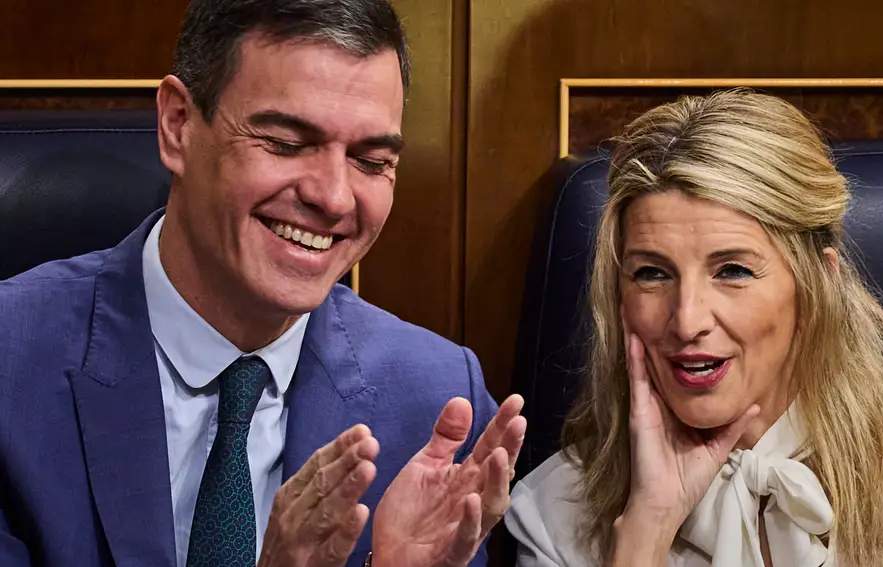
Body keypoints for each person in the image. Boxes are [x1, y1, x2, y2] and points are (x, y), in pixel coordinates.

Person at [0, 1, 525, 566]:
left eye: (371, 161)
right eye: (285, 143)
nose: (333, 197)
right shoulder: (11, 361)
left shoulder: (438, 402)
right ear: (178, 125)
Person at [504, 90, 883, 567]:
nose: (688, 321)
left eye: (733, 271)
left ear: (818, 285)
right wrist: (645, 531)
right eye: (652, 274)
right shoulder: (551, 515)